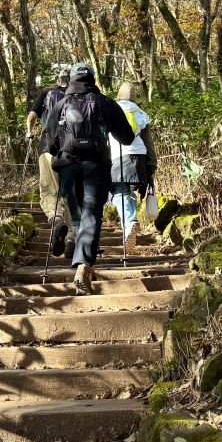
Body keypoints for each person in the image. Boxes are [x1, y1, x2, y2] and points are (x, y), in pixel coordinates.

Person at [41, 63, 136, 294]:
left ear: (71, 79)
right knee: (92, 213)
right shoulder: (105, 103)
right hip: (96, 165)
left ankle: (78, 255)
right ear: (92, 79)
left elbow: (48, 144)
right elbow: (127, 137)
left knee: (77, 216)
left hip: (69, 167)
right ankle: (83, 263)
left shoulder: (62, 104)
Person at [26, 67, 72, 256]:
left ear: (58, 79)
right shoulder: (77, 96)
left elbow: (32, 117)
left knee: (48, 189)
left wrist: (29, 132)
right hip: (71, 149)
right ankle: (71, 240)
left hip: (48, 146)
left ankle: (55, 218)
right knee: (70, 193)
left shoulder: (46, 93)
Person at [109, 81, 157, 245]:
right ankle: (128, 227)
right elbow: (148, 142)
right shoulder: (141, 113)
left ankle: (130, 221)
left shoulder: (111, 110)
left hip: (118, 157)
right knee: (129, 192)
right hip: (140, 157)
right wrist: (152, 164)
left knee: (118, 192)